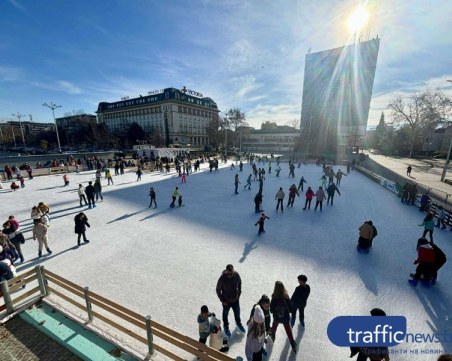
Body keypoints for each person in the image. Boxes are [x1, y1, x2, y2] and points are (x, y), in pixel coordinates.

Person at [216, 264, 245, 337]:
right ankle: (226, 327)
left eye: (231, 273)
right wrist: (222, 300)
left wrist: (239, 293)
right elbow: (218, 289)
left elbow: (240, 283)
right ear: (226, 272)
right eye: (228, 274)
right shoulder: (222, 279)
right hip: (226, 302)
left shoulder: (236, 275)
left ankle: (238, 323)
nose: (230, 275)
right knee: (225, 315)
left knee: (237, 313)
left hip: (235, 300)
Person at [269, 281, 296, 353]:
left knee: (274, 327)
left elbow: (271, 310)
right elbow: (291, 309)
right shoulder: (286, 297)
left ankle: (273, 336)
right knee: (288, 331)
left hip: (277, 318)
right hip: (285, 319)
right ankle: (293, 345)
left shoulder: (274, 298)